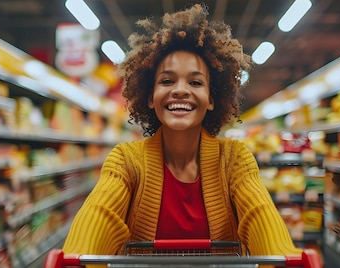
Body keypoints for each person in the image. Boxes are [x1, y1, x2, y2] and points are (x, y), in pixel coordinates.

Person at [62, 3, 300, 257]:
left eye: (196, 82)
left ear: (211, 99)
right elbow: (100, 215)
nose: (180, 90)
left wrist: (286, 257)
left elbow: (260, 216)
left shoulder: (234, 160)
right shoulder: (126, 161)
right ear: (151, 97)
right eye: (167, 80)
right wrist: (73, 259)